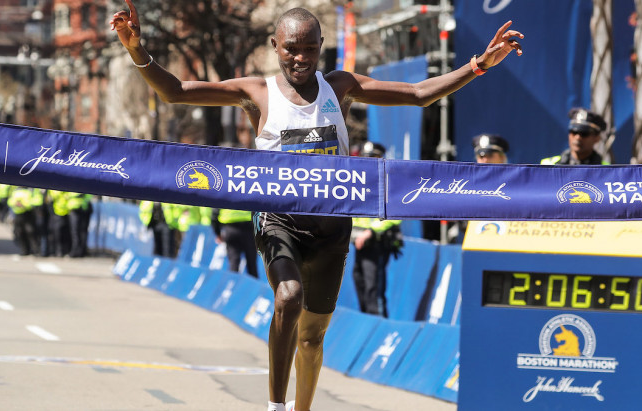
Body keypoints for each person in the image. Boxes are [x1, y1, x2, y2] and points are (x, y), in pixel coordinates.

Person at [110, 2, 522, 410]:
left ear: (322, 46)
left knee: (311, 338)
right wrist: (136, 50)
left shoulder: (339, 86)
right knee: (288, 297)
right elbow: (175, 93)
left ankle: (302, 408)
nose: (301, 58)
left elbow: (417, 95)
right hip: (278, 221)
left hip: (330, 228)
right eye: (291, 48)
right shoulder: (256, 92)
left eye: (310, 49)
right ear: (275, 45)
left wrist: (478, 65)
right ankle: (275, 405)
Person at [351, 142, 402, 316]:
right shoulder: (359, 181)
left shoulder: (388, 183)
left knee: (374, 288)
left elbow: (394, 216)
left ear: (380, 159)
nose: (368, 162)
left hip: (377, 243)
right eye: (365, 158)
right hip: (358, 243)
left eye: (372, 158)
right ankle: (368, 321)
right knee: (359, 282)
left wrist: (370, 232)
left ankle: (378, 321)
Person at [540, 107, 609, 165]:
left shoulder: (607, 170)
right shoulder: (548, 165)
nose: (578, 137)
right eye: (573, 132)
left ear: (597, 138)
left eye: (584, 133)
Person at [211, 208, 258, 278]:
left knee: (234, 263)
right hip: (249, 228)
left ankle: (232, 285)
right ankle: (255, 287)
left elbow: (215, 213)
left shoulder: (224, 196)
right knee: (252, 264)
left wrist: (217, 232)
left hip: (230, 229)